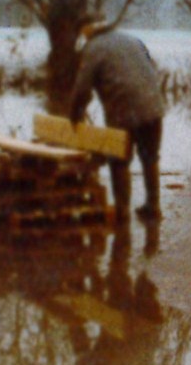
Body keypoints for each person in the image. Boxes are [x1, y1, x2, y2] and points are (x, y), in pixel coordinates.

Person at [67, 20, 165, 221]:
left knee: (119, 160)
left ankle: (122, 212)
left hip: (124, 111)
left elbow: (82, 88)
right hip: (155, 107)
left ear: (87, 31)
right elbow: (152, 69)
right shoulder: (132, 40)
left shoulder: (93, 48)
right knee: (150, 158)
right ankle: (153, 208)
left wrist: (75, 115)